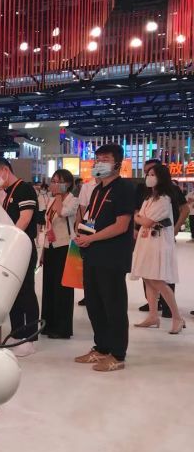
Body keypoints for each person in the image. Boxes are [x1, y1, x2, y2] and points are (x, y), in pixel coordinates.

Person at [73, 144, 134, 372]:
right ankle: (101, 347)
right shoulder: (98, 189)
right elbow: (93, 218)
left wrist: (92, 238)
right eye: (97, 159)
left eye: (105, 159)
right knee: (95, 304)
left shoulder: (124, 188)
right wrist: (83, 234)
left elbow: (122, 225)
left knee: (114, 305)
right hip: (93, 254)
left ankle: (117, 354)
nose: (99, 163)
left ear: (117, 163)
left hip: (112, 256)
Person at [0, 159, 40, 356]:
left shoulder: (24, 189)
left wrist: (11, 238)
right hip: (10, 248)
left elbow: (25, 218)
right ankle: (17, 333)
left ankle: (30, 337)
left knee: (26, 292)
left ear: (5, 170)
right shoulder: (7, 192)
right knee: (12, 292)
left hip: (22, 246)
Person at [131, 164, 185, 334]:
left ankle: (177, 317)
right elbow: (141, 217)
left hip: (158, 242)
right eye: (148, 174)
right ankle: (153, 315)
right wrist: (140, 218)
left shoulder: (164, 199)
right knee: (148, 278)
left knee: (157, 280)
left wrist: (138, 217)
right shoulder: (149, 198)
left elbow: (145, 220)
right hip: (146, 240)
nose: (149, 177)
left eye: (153, 174)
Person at [40, 170, 79, 340]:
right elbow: (47, 223)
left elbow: (62, 212)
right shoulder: (50, 200)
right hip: (50, 245)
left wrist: (57, 196)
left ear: (68, 184)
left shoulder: (73, 200)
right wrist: (43, 249)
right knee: (49, 286)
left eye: (59, 181)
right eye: (54, 180)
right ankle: (48, 323)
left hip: (64, 246)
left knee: (62, 288)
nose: (55, 184)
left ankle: (62, 328)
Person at [75, 176, 99, 306]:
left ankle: (99, 294)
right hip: (88, 224)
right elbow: (82, 208)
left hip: (102, 225)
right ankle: (88, 294)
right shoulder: (87, 186)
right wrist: (78, 226)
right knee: (87, 261)